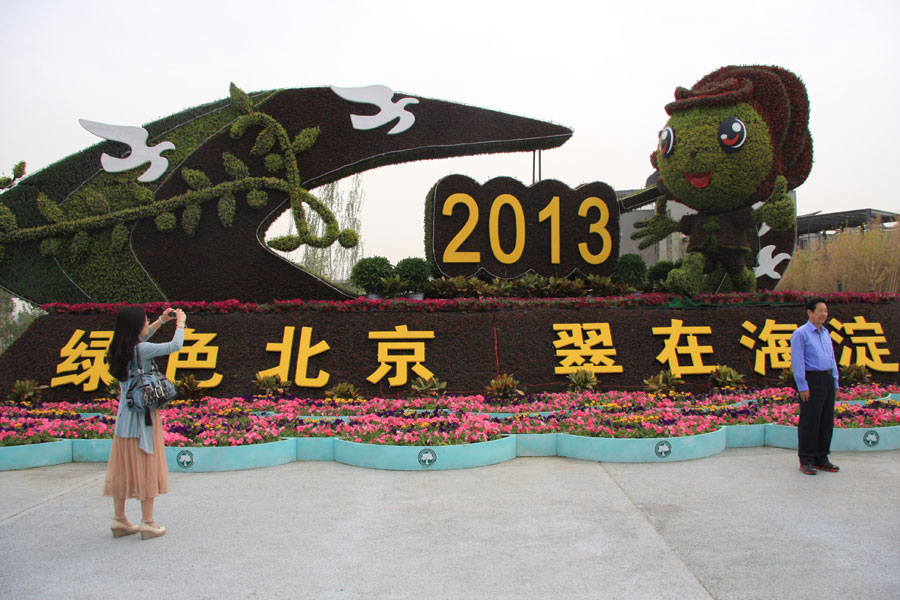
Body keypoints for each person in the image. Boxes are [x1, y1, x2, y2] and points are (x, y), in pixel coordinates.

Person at [103, 305, 186, 539]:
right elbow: (174, 346)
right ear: (136, 326)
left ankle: (119, 519)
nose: (147, 324)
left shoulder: (120, 347)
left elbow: (144, 336)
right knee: (147, 466)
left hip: (123, 421)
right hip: (143, 419)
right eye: (145, 320)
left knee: (122, 470)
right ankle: (147, 522)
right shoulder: (141, 350)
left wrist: (161, 320)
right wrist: (180, 323)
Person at [789, 297, 839, 476]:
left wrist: (835, 379)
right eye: (820, 310)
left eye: (826, 311)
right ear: (809, 312)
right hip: (812, 380)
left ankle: (821, 457)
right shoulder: (800, 334)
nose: (824, 314)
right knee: (810, 421)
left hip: (826, 379)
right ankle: (807, 459)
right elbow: (798, 362)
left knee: (826, 421)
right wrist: (802, 385)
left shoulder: (826, 333)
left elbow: (832, 358)